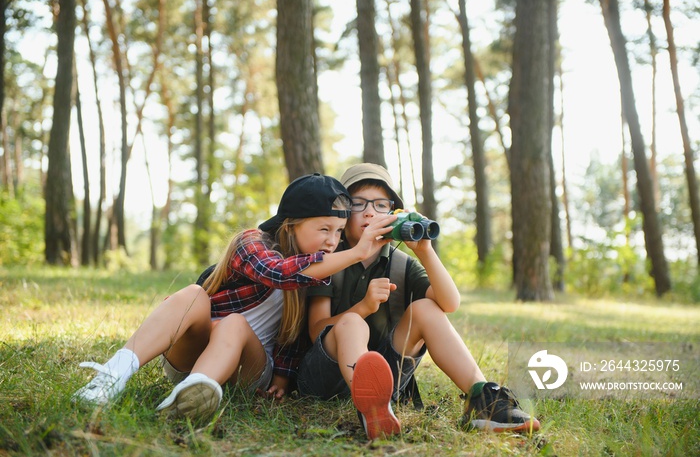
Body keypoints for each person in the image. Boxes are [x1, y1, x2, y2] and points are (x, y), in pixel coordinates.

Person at [73, 173, 397, 422]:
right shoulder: (251, 242)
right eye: (325, 229)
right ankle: (112, 376)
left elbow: (296, 336)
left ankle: (196, 393)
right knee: (193, 295)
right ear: (291, 225)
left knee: (235, 324)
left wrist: (283, 376)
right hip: (192, 350)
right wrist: (355, 252)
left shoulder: (321, 269)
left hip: (247, 369)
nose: (333, 241)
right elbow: (279, 273)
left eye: (339, 232)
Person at [296, 163, 540, 440]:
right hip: (323, 377)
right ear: (340, 212)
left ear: (393, 213)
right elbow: (317, 330)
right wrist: (363, 307)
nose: (369, 212)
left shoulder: (401, 264)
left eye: (380, 205)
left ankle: (482, 398)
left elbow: (449, 304)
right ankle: (369, 408)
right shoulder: (329, 257)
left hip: (389, 384)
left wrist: (425, 252)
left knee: (426, 307)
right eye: (357, 204)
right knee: (352, 321)